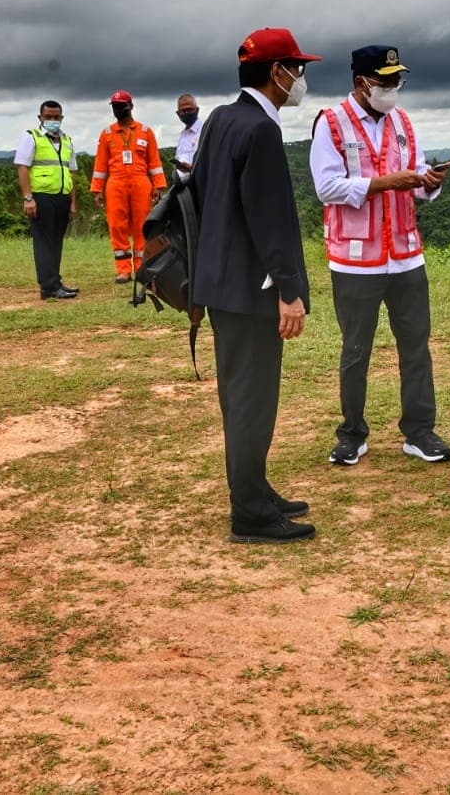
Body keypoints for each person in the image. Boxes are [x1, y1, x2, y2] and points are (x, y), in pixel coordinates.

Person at [191, 27, 318, 544]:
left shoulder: (222, 118)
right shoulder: (261, 130)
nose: (301, 80)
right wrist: (290, 290)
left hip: (221, 282)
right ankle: (249, 513)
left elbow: (201, 195)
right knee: (252, 400)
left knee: (240, 395)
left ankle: (255, 488)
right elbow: (271, 219)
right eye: (298, 69)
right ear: (276, 73)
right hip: (252, 288)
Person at [311, 45, 450, 467]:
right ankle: (352, 434)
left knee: (416, 346)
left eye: (396, 81)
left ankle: (420, 431)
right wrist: (386, 182)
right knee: (356, 349)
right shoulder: (332, 123)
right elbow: (327, 188)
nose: (393, 89)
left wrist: (429, 182)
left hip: (406, 256)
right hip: (356, 260)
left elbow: (419, 178)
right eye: (386, 81)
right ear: (362, 82)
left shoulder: (404, 122)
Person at [91, 90, 168, 284]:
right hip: (115, 183)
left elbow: (155, 162)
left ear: (131, 106)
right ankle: (124, 270)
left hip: (141, 182)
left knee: (142, 226)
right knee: (117, 226)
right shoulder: (107, 134)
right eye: (115, 107)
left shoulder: (145, 131)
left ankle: (142, 268)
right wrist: (98, 190)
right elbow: (100, 165)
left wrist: (158, 186)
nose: (119, 110)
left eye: (122, 106)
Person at [14, 100, 79, 300]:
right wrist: (28, 198)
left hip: (62, 197)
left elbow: (72, 172)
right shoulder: (31, 137)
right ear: (40, 118)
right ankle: (48, 287)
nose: (52, 120)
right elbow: (22, 167)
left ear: (62, 118)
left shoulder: (67, 139)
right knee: (44, 242)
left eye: (56, 117)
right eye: (48, 117)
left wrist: (73, 202)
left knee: (56, 241)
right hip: (41, 197)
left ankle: (55, 282)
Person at [174, 93, 202, 175]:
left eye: (190, 109)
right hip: (186, 185)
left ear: (197, 110)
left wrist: (192, 169)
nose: (187, 113)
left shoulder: (205, 130)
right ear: (178, 113)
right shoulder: (183, 136)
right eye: (183, 110)